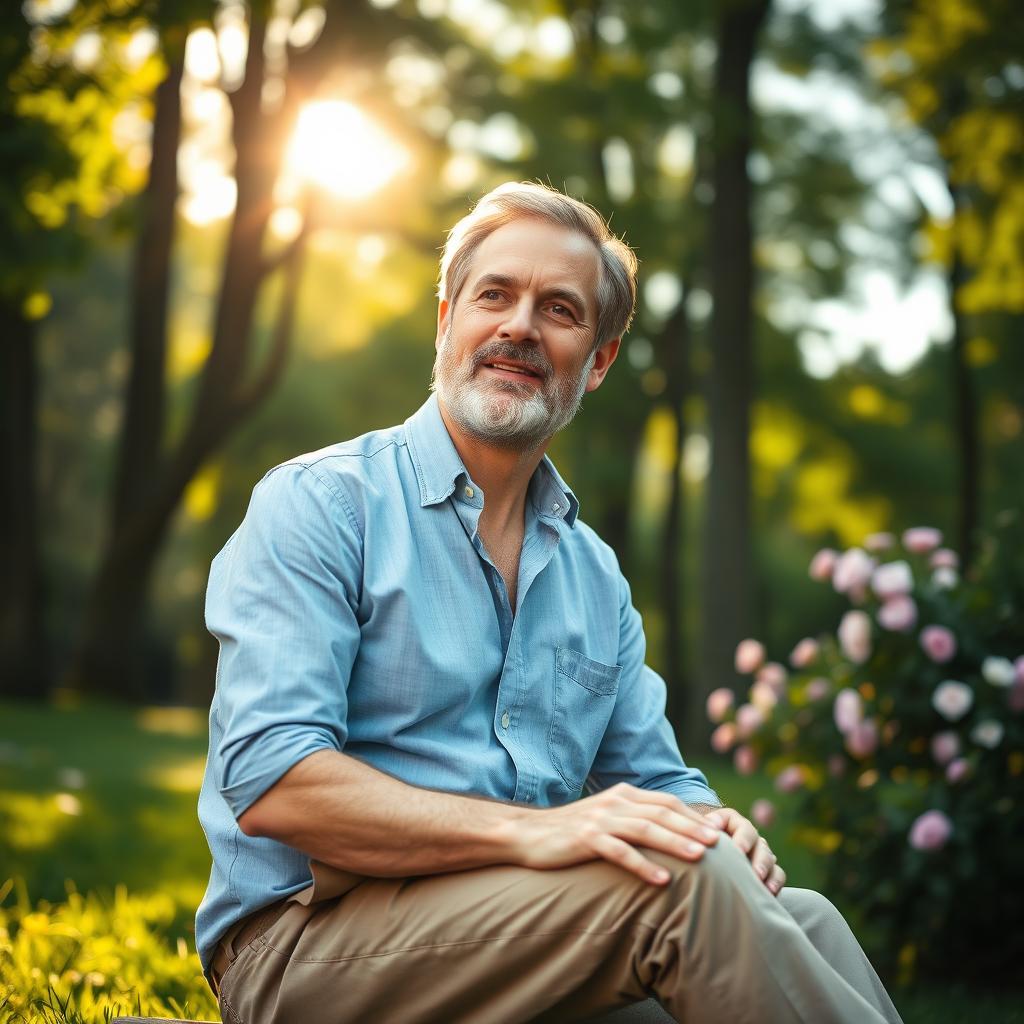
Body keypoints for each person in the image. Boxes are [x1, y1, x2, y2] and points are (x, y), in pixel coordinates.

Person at [195, 181, 903, 1024]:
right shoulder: (322, 503)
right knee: (682, 886)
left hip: (521, 936)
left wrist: (716, 826)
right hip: (306, 950)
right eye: (494, 295)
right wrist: (532, 832)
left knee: (802, 918)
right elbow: (275, 781)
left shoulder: (593, 576)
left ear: (597, 361)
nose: (520, 326)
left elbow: (658, 777)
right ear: (447, 320)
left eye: (560, 310)